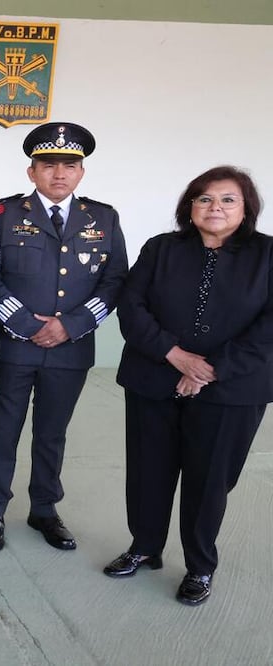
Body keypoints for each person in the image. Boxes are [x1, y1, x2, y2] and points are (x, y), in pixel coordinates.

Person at [104, 166, 272, 606]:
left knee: (209, 479)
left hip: (231, 390)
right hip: (153, 378)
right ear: (190, 206)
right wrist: (175, 356)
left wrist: (208, 370)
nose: (215, 207)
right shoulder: (162, 248)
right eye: (204, 199)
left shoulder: (267, 254)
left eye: (227, 199)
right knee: (148, 471)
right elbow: (132, 306)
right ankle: (144, 547)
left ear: (246, 206)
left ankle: (200, 566)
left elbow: (267, 328)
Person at [0, 122, 127, 552]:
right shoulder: (2, 214)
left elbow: (115, 280)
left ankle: (44, 509)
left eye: (69, 165)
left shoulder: (103, 217)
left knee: (52, 433)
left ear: (81, 172)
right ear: (31, 172)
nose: (59, 173)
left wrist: (72, 324)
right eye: (48, 165)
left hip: (71, 348)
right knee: (3, 431)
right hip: (15, 347)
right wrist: (26, 324)